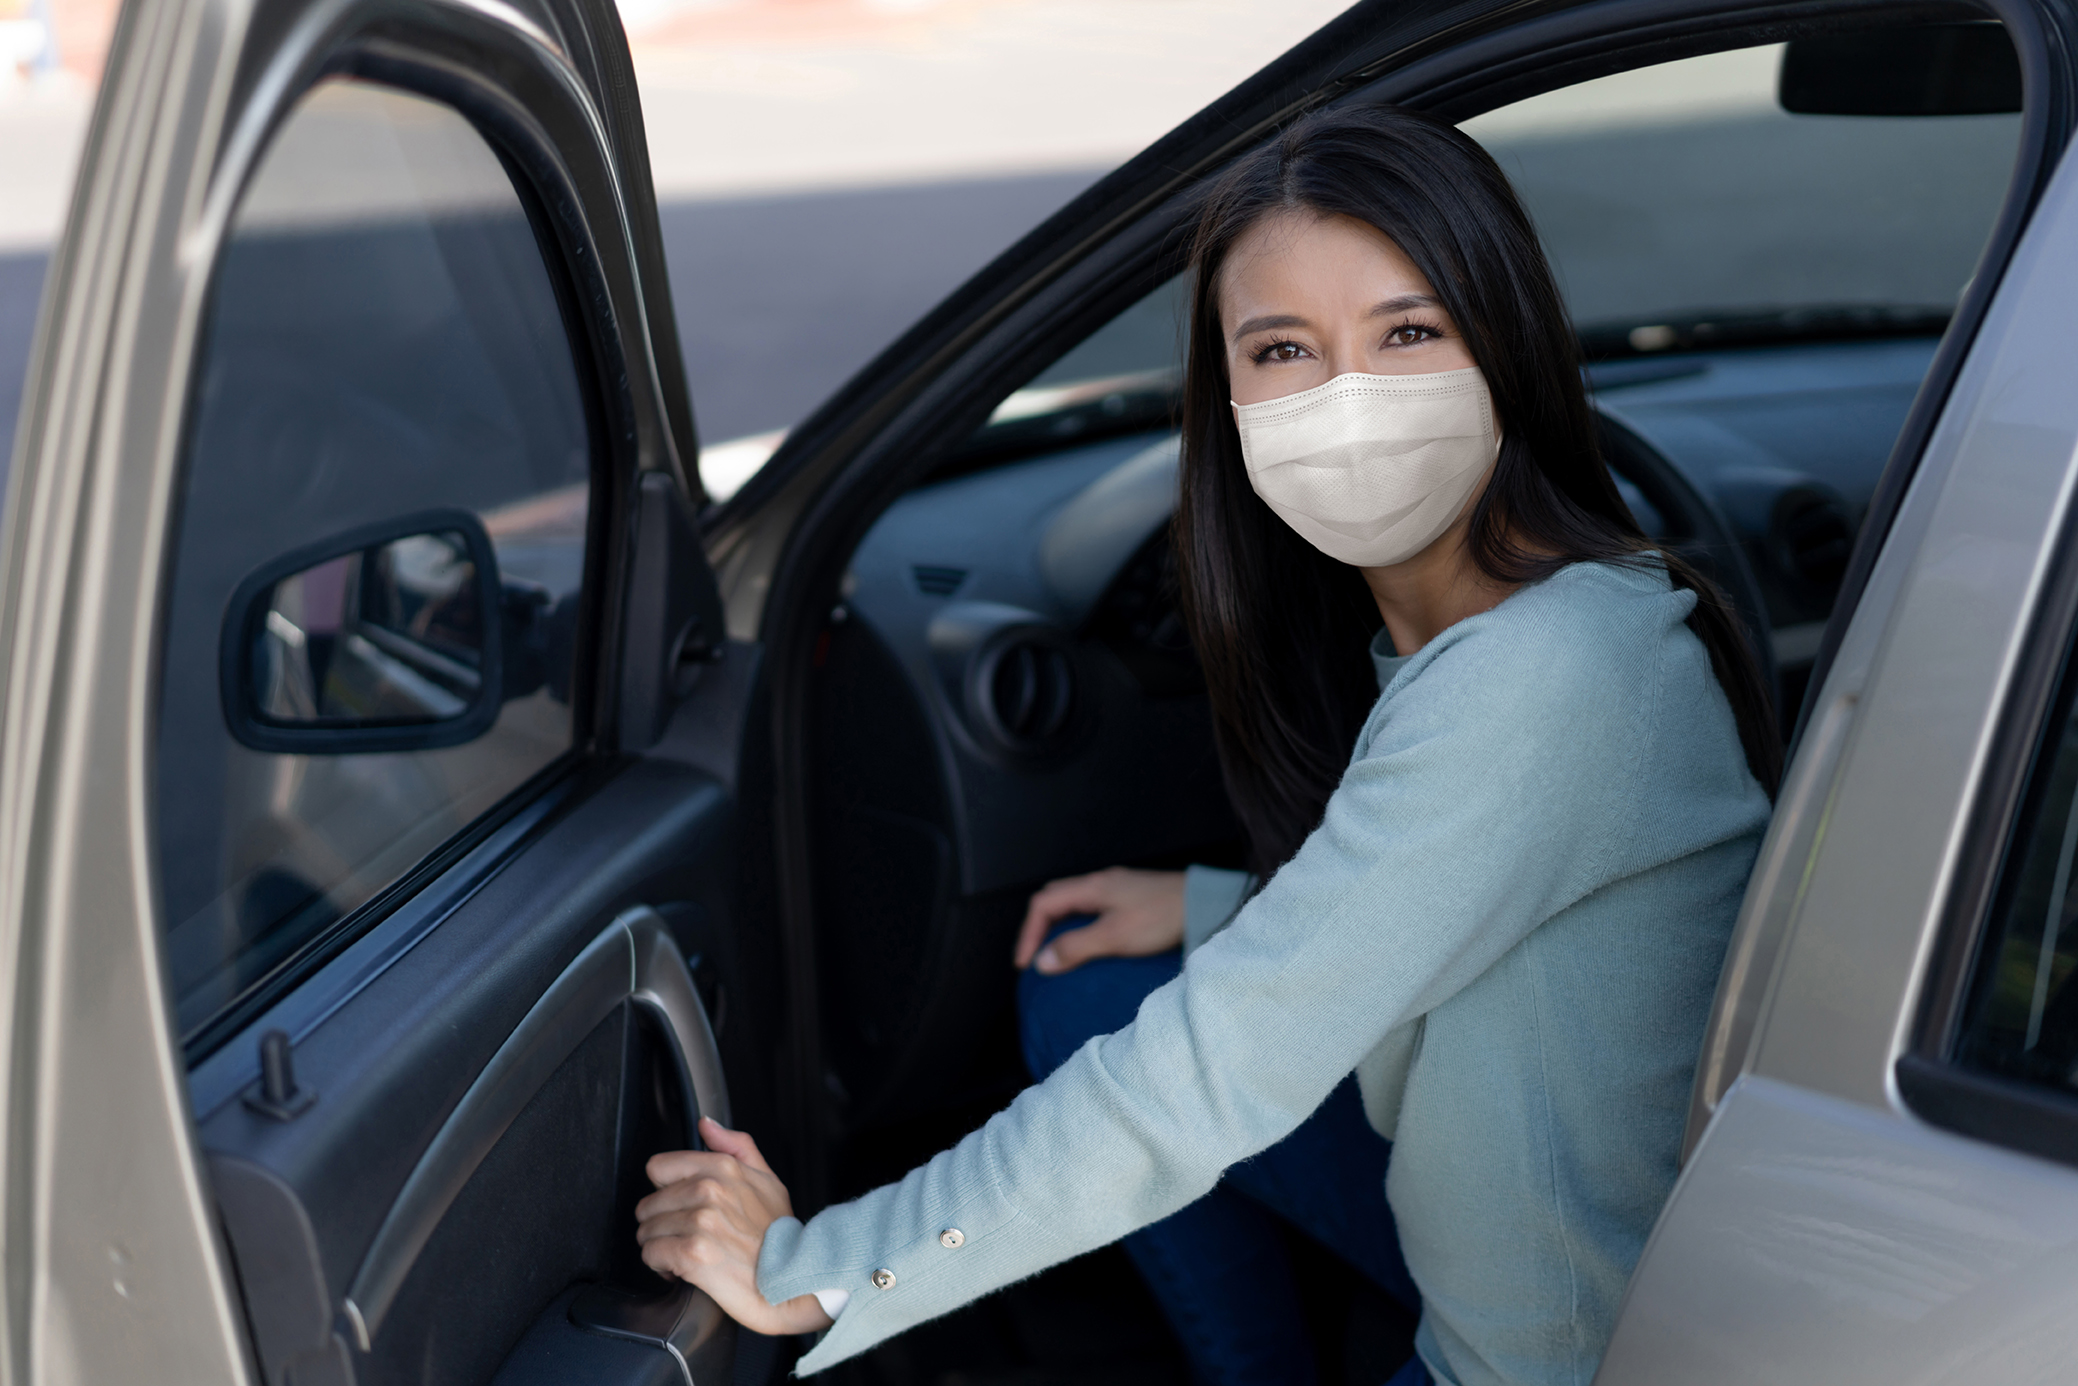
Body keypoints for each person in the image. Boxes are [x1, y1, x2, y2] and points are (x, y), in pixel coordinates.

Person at [631, 104, 1779, 1386]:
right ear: (1225, 399)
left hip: (1544, 1358)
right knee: (1084, 989)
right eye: (1282, 348)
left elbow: (1203, 1079)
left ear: (1502, 342)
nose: (1345, 399)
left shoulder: (1541, 672)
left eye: (1406, 331)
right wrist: (1210, 905)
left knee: (1147, 1057)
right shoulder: (1518, 627)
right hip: (1495, 1228)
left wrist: (816, 1274)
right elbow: (1485, 905)